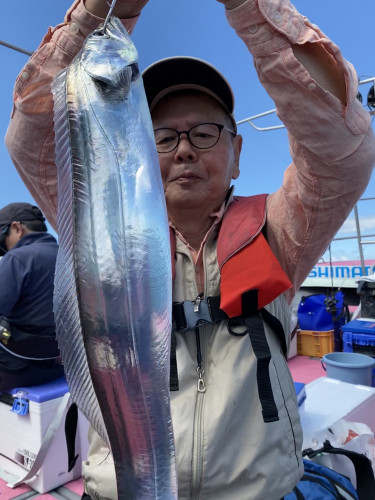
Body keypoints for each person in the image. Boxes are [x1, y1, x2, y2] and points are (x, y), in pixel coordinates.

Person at [5, 0, 375, 498]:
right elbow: (30, 140)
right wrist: (94, 17)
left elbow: (342, 151)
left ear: (238, 155)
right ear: (132, 146)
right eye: (160, 136)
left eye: (204, 133)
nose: (183, 149)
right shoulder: (104, 229)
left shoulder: (280, 231)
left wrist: (250, 8)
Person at [0, 202, 63, 391]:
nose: (5, 250)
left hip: (18, 371)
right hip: (61, 366)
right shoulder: (70, 258)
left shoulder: (17, 258)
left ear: (16, 228)